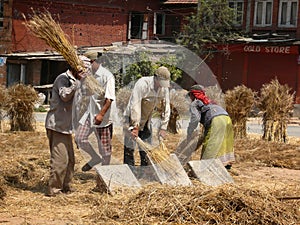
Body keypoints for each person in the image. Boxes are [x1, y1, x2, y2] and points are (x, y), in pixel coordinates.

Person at [45, 56, 88, 197]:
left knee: (70, 160)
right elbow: (65, 96)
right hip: (57, 125)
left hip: (67, 126)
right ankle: (54, 190)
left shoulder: (77, 81)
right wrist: (77, 83)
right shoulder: (62, 79)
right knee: (60, 160)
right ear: (76, 68)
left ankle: (65, 187)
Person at [74, 51, 116, 172]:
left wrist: (101, 114)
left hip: (103, 117)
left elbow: (109, 99)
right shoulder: (87, 75)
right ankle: (94, 158)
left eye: (88, 63)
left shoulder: (107, 76)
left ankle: (105, 174)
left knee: (105, 151)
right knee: (79, 138)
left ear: (94, 62)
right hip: (89, 113)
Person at [123, 66, 171, 166]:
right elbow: (135, 105)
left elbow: (166, 107)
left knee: (146, 147)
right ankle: (130, 170)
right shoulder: (142, 84)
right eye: (161, 83)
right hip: (131, 117)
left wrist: (163, 127)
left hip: (146, 119)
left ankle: (144, 171)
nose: (162, 86)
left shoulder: (164, 89)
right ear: (156, 78)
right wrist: (135, 126)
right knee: (129, 146)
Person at [186, 84, 235, 169]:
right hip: (227, 118)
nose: (189, 98)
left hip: (216, 120)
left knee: (210, 144)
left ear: (193, 95)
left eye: (190, 95)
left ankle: (205, 167)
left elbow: (195, 119)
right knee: (225, 143)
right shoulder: (209, 101)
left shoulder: (195, 103)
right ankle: (226, 167)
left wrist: (189, 132)